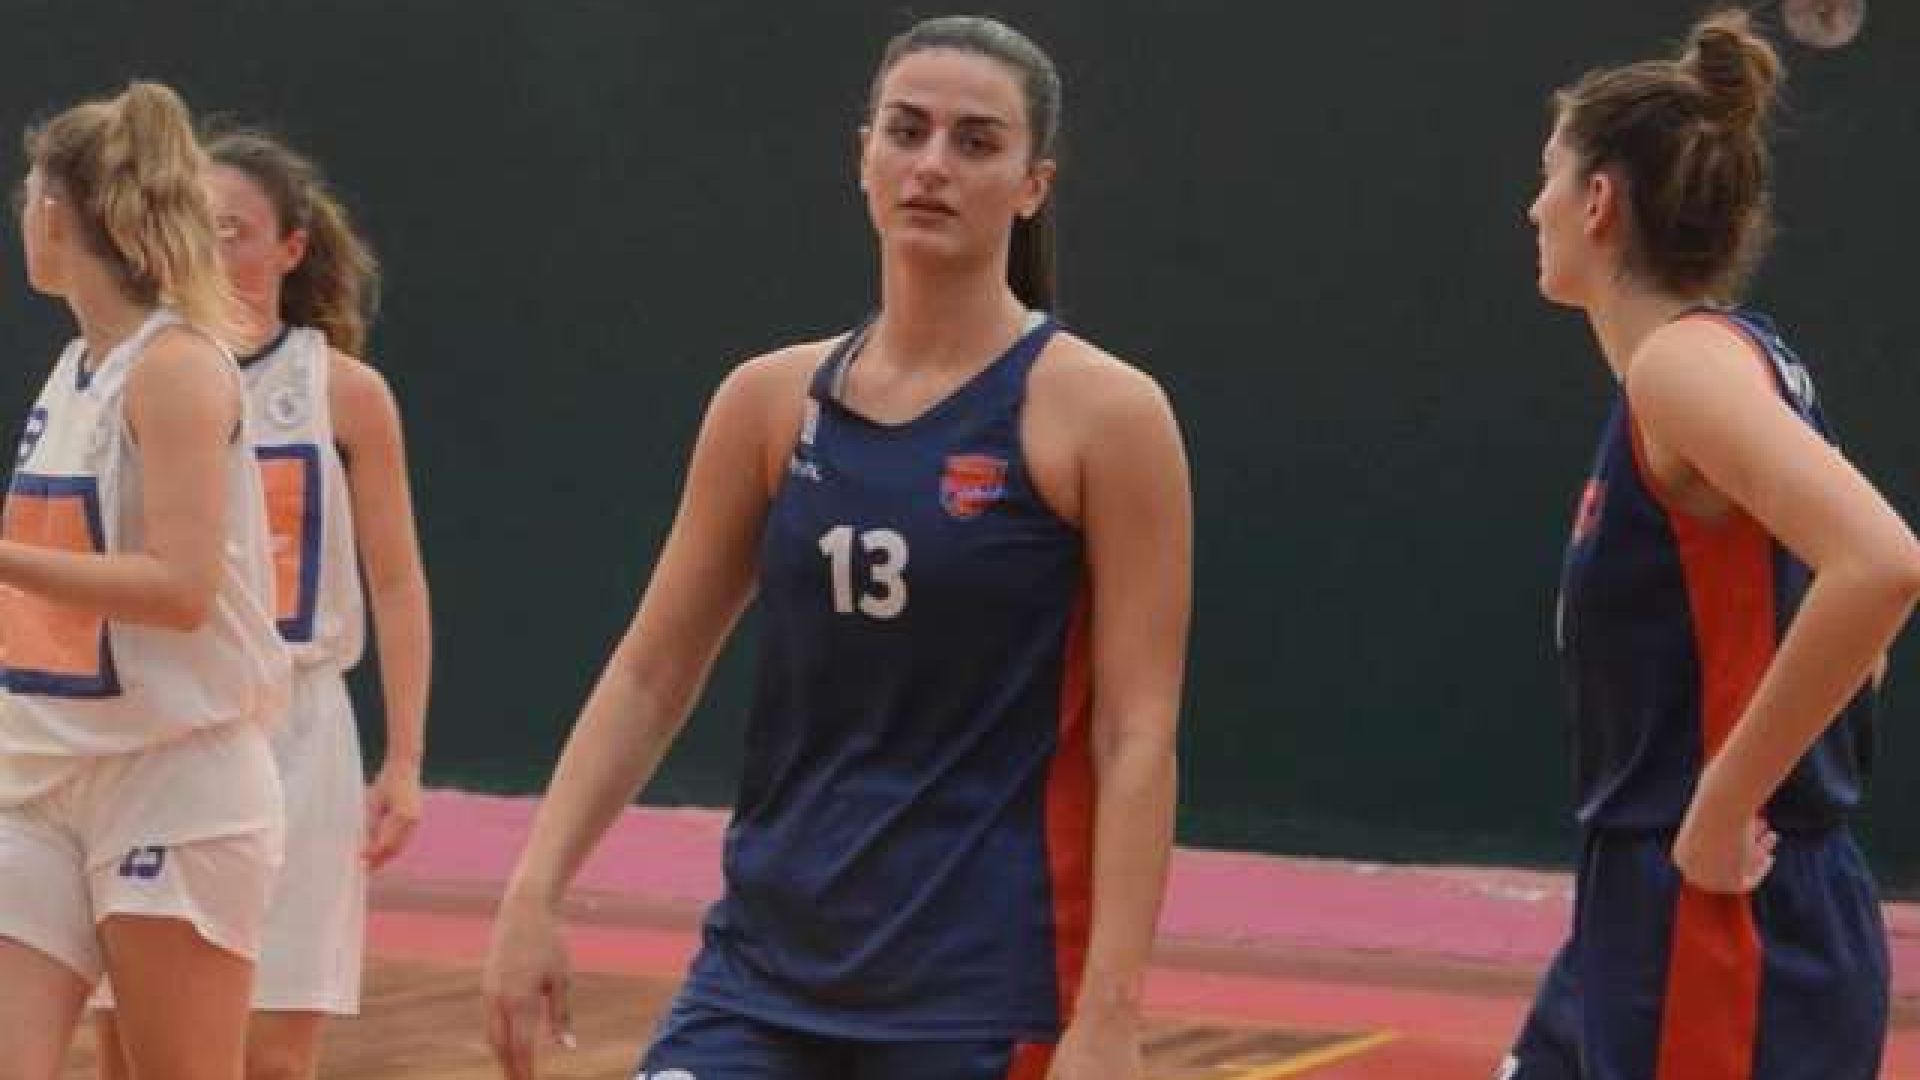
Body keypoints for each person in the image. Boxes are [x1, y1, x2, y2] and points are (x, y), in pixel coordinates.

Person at [482, 15, 1190, 1080]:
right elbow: (650, 671)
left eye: (976, 142)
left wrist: (1111, 1017)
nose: (933, 164)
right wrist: (533, 890)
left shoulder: (1105, 416)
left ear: (1033, 185)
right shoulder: (769, 403)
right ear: (864, 154)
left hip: (980, 993)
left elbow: (1137, 733)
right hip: (761, 975)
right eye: (907, 130)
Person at [1506, 10, 1920, 1079]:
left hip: (1720, 908)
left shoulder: (1682, 368)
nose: (1534, 206)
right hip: (1681, 893)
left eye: (1548, 176)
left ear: (1599, 201)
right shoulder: (1732, 363)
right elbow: (1855, 642)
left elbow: (1881, 565)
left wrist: (1725, 803)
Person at [89, 126, 432, 1080]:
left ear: (291, 248)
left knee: (275, 1054)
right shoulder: (122, 375)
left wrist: (405, 759)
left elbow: (397, 583)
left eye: (233, 228)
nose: (209, 246)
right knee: (133, 1049)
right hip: (160, 720)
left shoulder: (345, 392)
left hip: (299, 727)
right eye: (192, 224)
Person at [0, 82, 291, 1080]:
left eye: (25, 196)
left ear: (52, 214)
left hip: (175, 779)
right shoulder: (76, 367)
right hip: (39, 776)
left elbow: (180, 586)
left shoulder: (174, 367)